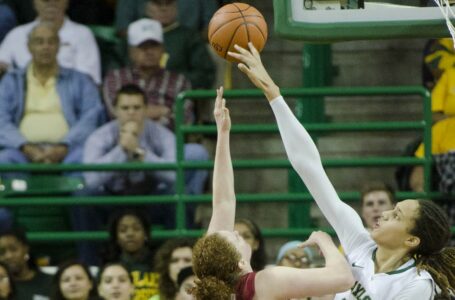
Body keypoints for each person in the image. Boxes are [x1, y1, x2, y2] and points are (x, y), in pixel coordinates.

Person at [229, 42, 455, 299]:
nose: (384, 213)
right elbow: (310, 168)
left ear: (411, 240)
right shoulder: (359, 244)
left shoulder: (418, 285)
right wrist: (274, 94)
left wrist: (326, 245)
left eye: (396, 215)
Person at [190, 87, 354, 299]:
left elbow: (223, 202)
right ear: (239, 262)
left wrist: (223, 133)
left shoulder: (212, 281)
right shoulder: (266, 283)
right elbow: (343, 279)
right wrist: (325, 241)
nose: (236, 231)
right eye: (234, 237)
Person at [103, 19, 209, 224]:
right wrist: (160, 112)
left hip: (164, 147)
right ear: (131, 51)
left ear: (162, 49)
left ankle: (186, 209)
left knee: (197, 154)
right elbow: (114, 116)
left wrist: (137, 116)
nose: (149, 51)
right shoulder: (115, 78)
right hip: (121, 145)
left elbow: (183, 120)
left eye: (154, 46)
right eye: (142, 47)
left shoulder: (178, 81)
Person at [0, 0, 101, 83]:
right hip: (19, 99)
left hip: (66, 100)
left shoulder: (82, 34)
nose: (51, 2)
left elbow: (89, 82)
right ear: (34, 3)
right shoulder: (16, 34)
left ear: (66, 2)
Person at [145, 0, 215, 89]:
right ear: (147, 7)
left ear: (176, 7)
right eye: (158, 4)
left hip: (178, 96)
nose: (164, 8)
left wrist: (171, 81)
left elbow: (205, 75)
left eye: (168, 3)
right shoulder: (135, 34)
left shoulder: (190, 37)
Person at [101, 209, 159, 300]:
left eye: (136, 229)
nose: (130, 234)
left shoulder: (160, 263)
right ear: (116, 237)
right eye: (123, 230)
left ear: (146, 234)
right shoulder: (109, 266)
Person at [0, 228, 52, 299]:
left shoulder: (51, 282)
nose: (9, 256)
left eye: (13, 249)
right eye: (2, 252)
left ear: (25, 249)